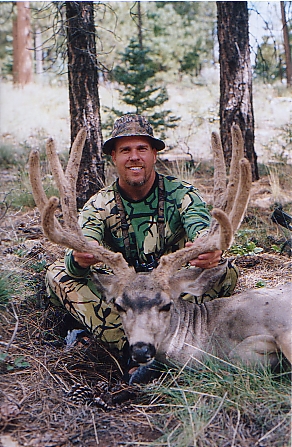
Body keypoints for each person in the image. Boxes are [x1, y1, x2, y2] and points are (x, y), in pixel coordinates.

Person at [46, 114, 238, 359]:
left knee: (225, 271)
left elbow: (200, 226)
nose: (134, 157)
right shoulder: (99, 204)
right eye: (125, 149)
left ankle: (162, 345)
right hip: (123, 295)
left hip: (167, 294)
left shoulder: (181, 194)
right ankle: (134, 350)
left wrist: (208, 249)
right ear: (113, 157)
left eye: (142, 148)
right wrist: (81, 257)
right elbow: (80, 245)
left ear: (154, 155)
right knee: (59, 274)